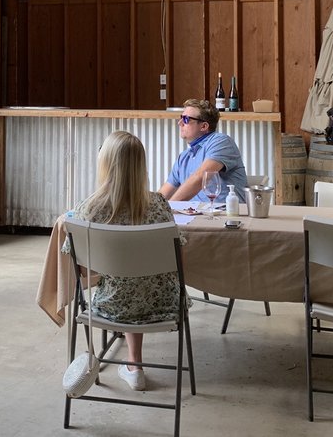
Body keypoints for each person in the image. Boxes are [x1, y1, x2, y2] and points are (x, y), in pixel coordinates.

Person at [62, 130, 187, 392]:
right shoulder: (159, 204)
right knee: (138, 281)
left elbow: (83, 270)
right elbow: (178, 258)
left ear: (105, 163)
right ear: (140, 165)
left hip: (112, 307)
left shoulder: (89, 209)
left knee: (123, 283)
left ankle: (133, 366)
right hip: (165, 305)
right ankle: (134, 365)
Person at [158, 98, 248, 203]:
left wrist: (168, 209)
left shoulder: (221, 142)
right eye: (181, 117)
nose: (180, 123)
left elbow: (200, 178)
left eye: (186, 119)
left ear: (204, 126)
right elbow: (162, 195)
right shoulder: (183, 158)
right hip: (196, 216)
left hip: (225, 216)